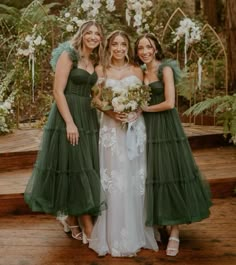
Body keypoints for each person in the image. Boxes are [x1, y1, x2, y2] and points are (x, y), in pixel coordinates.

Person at [24, 21, 106, 242]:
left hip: (88, 117)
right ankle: (79, 222)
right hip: (67, 115)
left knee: (81, 165)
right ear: (82, 34)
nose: (93, 37)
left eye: (97, 34)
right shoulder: (69, 55)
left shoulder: (95, 60)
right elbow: (57, 91)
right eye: (89, 32)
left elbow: (95, 94)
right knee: (74, 164)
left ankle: (71, 217)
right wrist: (70, 122)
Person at [134, 33, 212, 256]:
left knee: (169, 173)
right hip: (145, 127)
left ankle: (175, 231)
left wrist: (146, 109)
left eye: (148, 47)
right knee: (152, 173)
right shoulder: (140, 71)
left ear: (156, 48)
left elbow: (169, 102)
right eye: (140, 48)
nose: (145, 51)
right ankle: (160, 222)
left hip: (165, 127)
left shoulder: (164, 69)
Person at [88, 30, 158, 257]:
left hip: (135, 128)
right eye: (115, 44)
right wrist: (110, 111)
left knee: (134, 176)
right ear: (109, 46)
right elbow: (96, 99)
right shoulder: (101, 69)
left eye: (123, 44)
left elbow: (145, 97)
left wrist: (136, 110)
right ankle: (112, 235)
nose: (119, 48)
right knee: (114, 178)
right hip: (111, 130)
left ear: (128, 47)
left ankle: (138, 231)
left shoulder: (137, 70)